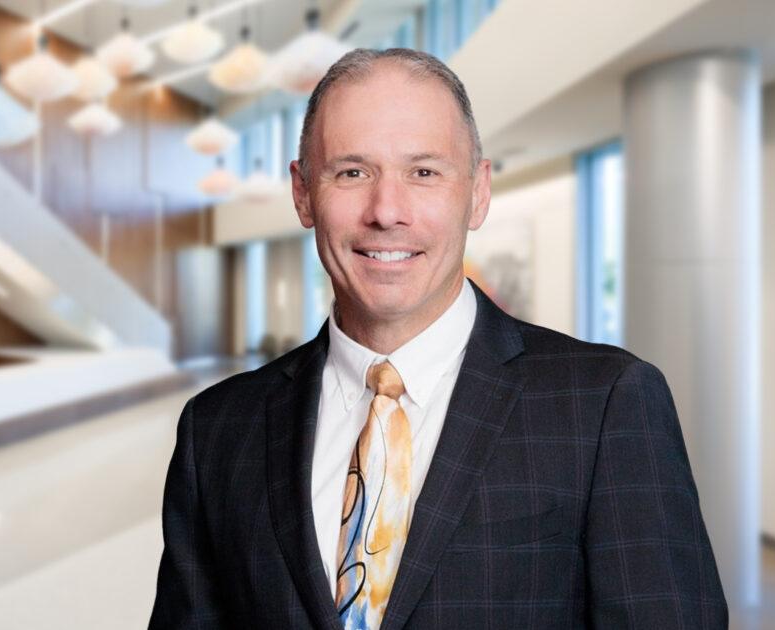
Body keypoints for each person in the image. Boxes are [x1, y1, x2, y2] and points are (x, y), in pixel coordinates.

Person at [149, 48, 727, 629]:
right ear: (303, 194)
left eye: (423, 172)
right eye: (352, 172)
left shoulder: (605, 404)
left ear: (477, 192)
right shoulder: (217, 429)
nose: (387, 211)